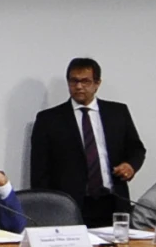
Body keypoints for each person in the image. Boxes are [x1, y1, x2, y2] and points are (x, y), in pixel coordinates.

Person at [28, 57, 147, 227]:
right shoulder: (49, 119)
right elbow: (40, 170)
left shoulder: (117, 112)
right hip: (70, 205)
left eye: (85, 81)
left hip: (113, 200)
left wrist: (130, 165)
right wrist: (46, 208)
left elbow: (136, 148)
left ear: (97, 83)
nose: (78, 87)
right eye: (73, 81)